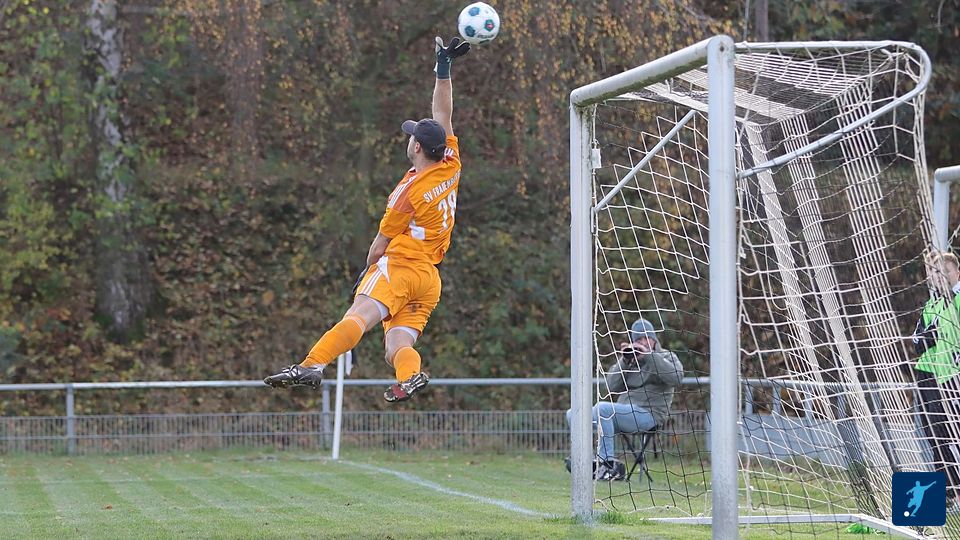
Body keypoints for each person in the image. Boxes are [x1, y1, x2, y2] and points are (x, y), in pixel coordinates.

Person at [264, 36, 471, 402]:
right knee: (398, 345)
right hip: (429, 278)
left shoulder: (407, 194)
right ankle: (410, 376)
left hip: (400, 268)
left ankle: (312, 365)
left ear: (417, 147)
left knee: (357, 316)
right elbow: (444, 115)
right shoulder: (450, 165)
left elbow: (379, 247)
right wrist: (443, 69)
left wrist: (367, 273)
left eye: (411, 137)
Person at [566, 318, 684, 480]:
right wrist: (624, 360)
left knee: (603, 409)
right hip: (621, 415)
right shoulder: (630, 362)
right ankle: (585, 460)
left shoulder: (666, 356)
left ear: (654, 339)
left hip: (649, 415)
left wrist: (648, 355)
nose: (643, 342)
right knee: (573, 414)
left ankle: (608, 465)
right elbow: (610, 386)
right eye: (638, 340)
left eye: (646, 338)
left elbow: (676, 378)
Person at [912, 250, 960, 506]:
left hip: (951, 377)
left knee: (950, 435)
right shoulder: (933, 304)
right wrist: (927, 336)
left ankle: (953, 492)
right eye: (933, 271)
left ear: (956, 273)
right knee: (935, 436)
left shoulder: (955, 301)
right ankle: (948, 494)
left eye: (944, 271)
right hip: (930, 376)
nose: (938, 276)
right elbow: (917, 342)